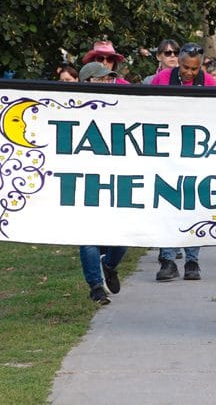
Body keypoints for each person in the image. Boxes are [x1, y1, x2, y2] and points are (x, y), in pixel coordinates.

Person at [151, 43, 216, 281]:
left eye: (194, 68)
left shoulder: (208, 82)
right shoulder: (161, 79)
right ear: (178, 62)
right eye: (185, 67)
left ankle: (192, 261)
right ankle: (167, 259)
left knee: (193, 204)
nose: (189, 73)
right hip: (167, 149)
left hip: (196, 149)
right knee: (167, 204)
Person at [75, 61, 130, 304]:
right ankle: (96, 286)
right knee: (88, 235)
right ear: (87, 82)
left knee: (124, 235)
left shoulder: (120, 107)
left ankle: (109, 266)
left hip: (116, 177)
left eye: (109, 78)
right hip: (83, 179)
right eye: (102, 79)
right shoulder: (70, 109)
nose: (108, 82)